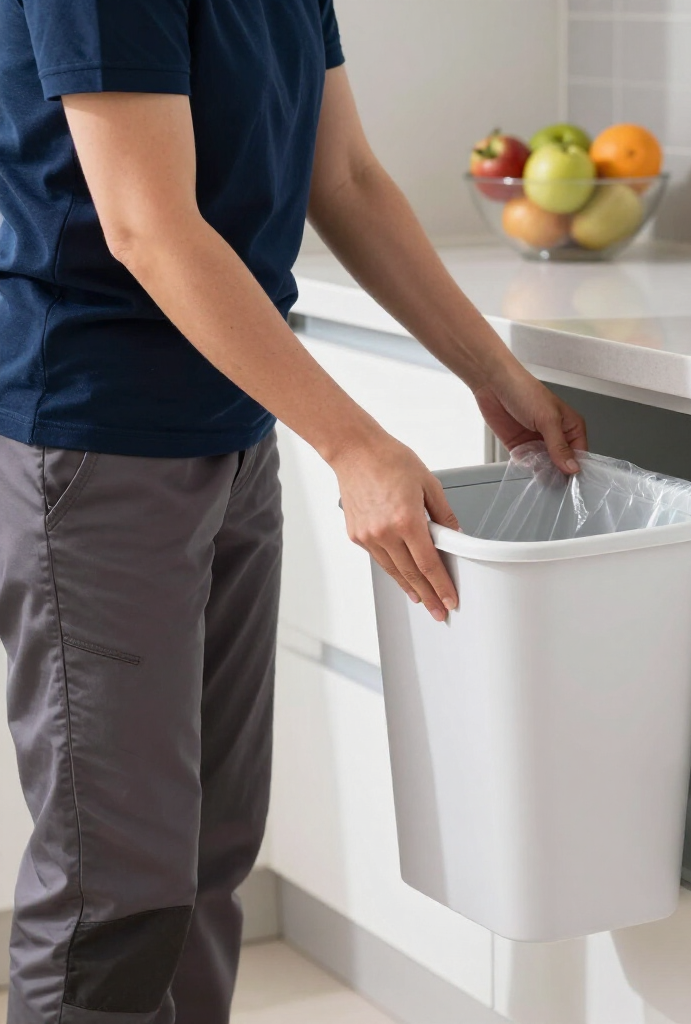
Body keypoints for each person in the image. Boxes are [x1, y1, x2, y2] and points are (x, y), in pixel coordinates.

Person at [0, 0, 587, 1018]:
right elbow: (146, 225)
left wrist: (489, 371)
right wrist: (356, 444)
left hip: (229, 423)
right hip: (95, 436)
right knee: (118, 890)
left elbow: (344, 176)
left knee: (209, 853)